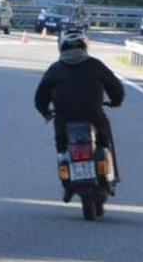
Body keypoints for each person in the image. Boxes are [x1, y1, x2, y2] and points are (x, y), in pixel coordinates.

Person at [33, 28, 124, 200]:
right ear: (85, 45)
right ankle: (111, 176)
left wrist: (45, 112)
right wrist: (115, 101)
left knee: (62, 146)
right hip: (94, 117)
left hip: (64, 119)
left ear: (61, 47)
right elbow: (116, 88)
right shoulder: (96, 65)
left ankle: (67, 181)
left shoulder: (55, 69)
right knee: (104, 142)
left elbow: (40, 97)